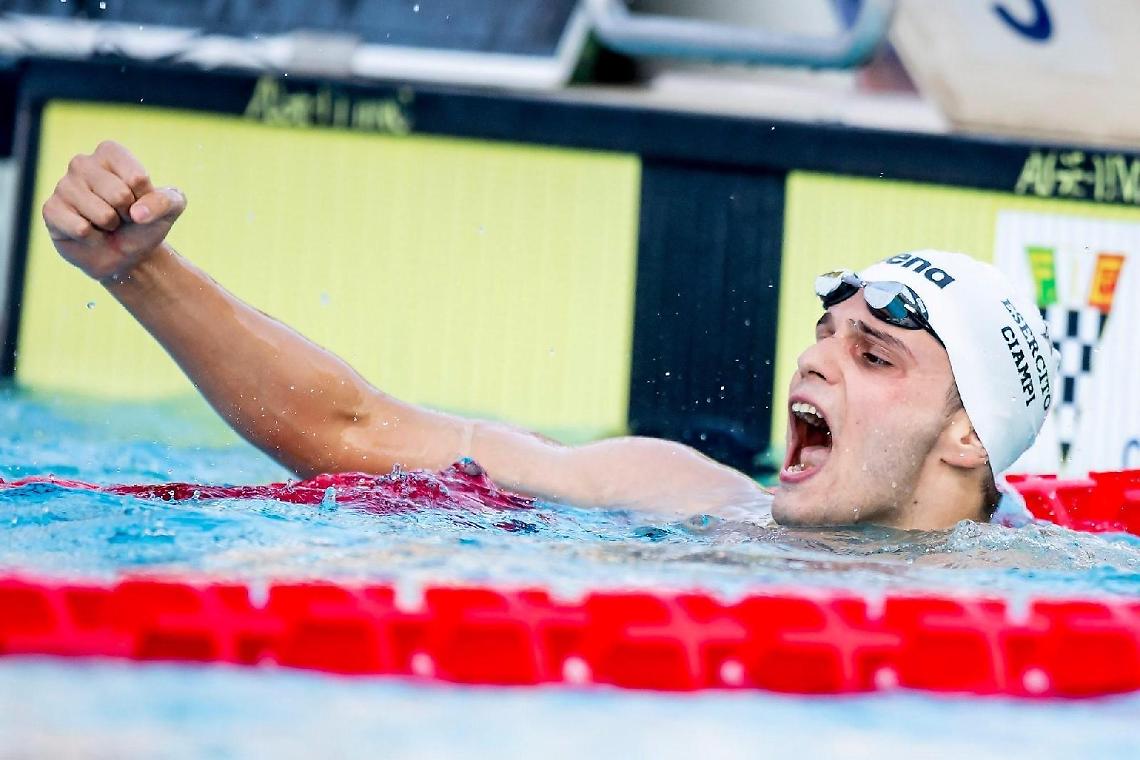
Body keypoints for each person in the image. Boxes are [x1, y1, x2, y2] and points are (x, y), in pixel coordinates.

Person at [41, 141, 1056, 530]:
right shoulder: (686, 497)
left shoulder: (1043, 605)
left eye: (873, 355)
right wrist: (140, 272)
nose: (817, 356)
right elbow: (354, 432)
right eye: (825, 333)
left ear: (969, 436)